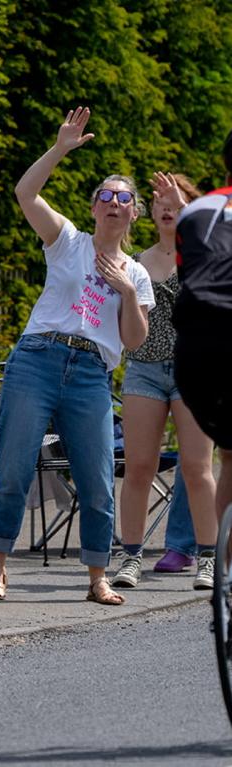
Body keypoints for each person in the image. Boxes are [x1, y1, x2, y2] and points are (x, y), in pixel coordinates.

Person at [0, 106, 154, 606]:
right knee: (13, 468)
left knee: (97, 477)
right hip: (38, 357)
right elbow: (24, 194)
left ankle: (97, 576)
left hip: (91, 374)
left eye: (124, 198)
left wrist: (123, 291)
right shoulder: (68, 242)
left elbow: (135, 342)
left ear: (133, 213)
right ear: (95, 206)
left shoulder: (137, 275)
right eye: (107, 195)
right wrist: (60, 149)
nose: (115, 203)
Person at [112, 172, 217, 591]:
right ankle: (131, 556)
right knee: (138, 467)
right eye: (158, 203)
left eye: (174, 202)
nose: (167, 207)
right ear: (148, 213)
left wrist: (187, 208)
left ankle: (208, 558)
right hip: (144, 370)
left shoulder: (202, 252)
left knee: (196, 467)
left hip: (194, 370)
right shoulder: (135, 260)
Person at [174, 128, 232, 532]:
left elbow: (186, 275)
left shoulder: (195, 210)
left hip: (194, 351)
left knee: (229, 453)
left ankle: (226, 578)